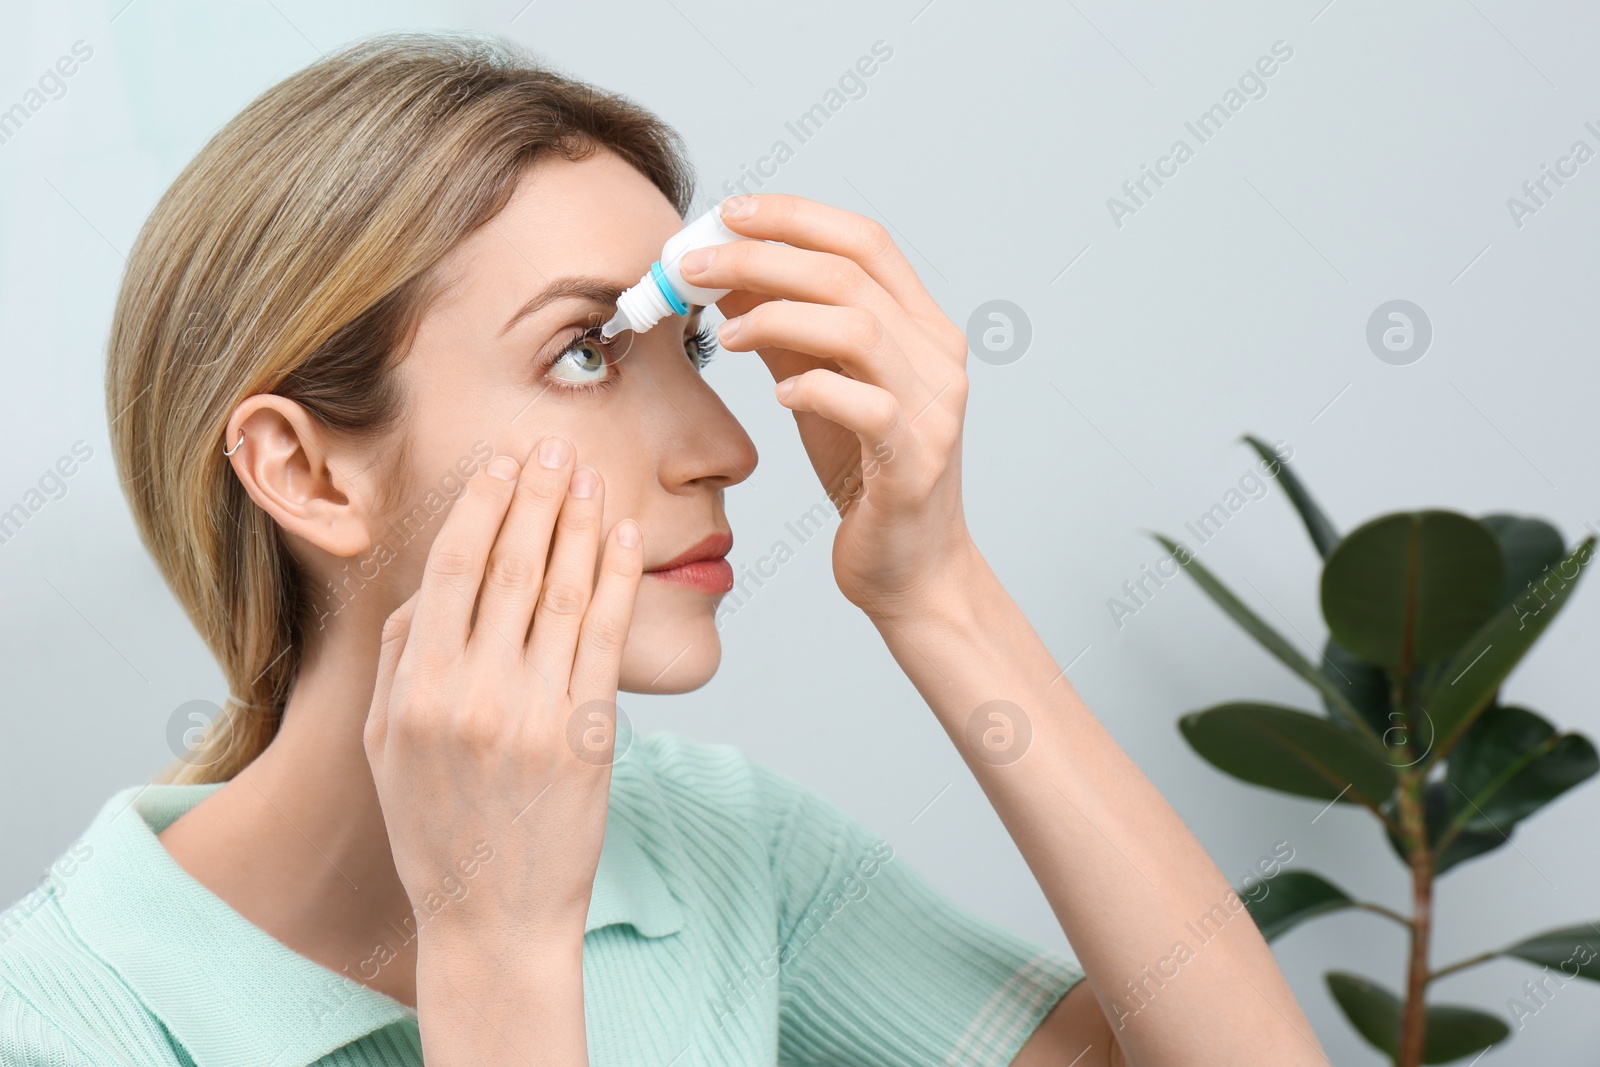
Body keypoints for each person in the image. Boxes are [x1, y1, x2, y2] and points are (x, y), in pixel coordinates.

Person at [0, 31, 1324, 1066]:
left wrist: (937, 589)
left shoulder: (710, 846)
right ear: (305, 471)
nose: (727, 446)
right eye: (581, 352)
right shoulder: (63, 1025)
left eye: (687, 345)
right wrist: (501, 952)